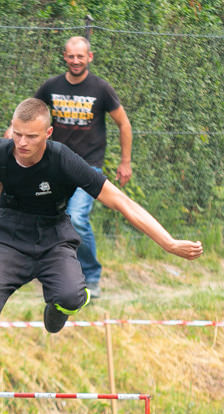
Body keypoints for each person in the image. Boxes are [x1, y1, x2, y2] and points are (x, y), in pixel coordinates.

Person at [0, 98, 202, 414]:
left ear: (49, 134)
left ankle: (57, 311)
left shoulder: (64, 161)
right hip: (9, 236)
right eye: (18, 134)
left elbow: (121, 201)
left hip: (53, 236)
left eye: (32, 137)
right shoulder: (0, 153)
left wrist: (168, 243)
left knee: (72, 296)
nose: (22, 143)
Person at [36, 35, 133, 298]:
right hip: (55, 167)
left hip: (88, 168)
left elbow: (123, 124)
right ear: (64, 57)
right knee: (48, 219)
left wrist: (125, 162)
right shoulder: (51, 86)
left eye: (81, 56)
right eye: (71, 56)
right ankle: (54, 274)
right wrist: (13, 131)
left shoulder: (101, 89)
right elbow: (31, 111)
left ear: (89, 57)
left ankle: (91, 276)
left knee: (76, 219)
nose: (75, 60)